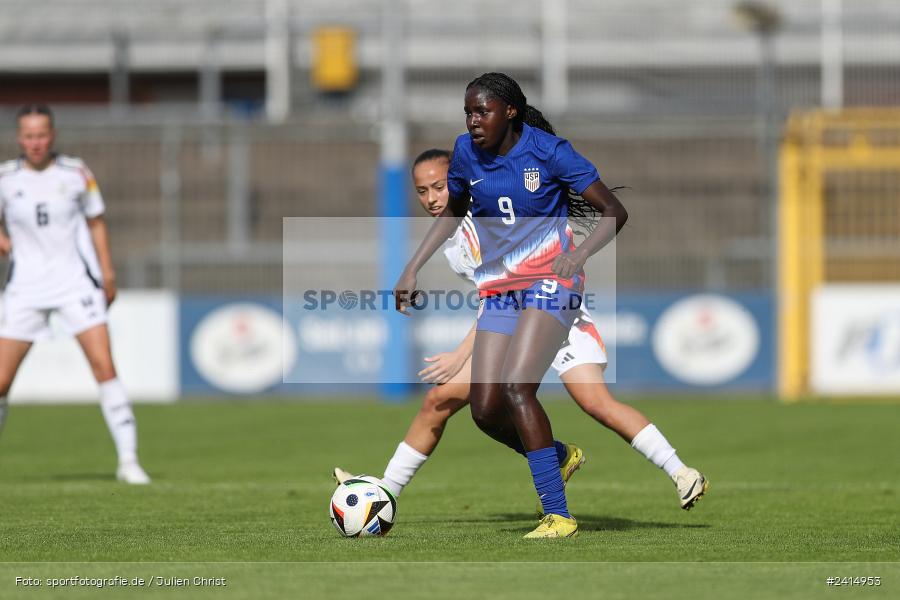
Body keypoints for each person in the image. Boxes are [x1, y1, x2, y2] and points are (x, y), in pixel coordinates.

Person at [335, 147, 707, 519]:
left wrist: (462, 354)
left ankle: (681, 473)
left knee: (596, 403)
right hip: (515, 319)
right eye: (422, 191)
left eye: (439, 186)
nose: (431, 198)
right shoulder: (454, 240)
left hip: (554, 314)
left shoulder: (488, 219)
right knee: (440, 401)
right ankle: (385, 490)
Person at [394, 72, 687, 538]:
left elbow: (615, 211)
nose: (472, 120)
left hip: (553, 281)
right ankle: (558, 455)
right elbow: (454, 210)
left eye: (481, 111)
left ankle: (559, 515)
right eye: (468, 111)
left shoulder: (549, 152)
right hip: (502, 291)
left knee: (517, 388)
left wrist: (580, 252)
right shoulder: (466, 151)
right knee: (486, 410)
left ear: (509, 111)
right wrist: (413, 267)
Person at [0, 104, 150, 485]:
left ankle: (129, 461)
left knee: (104, 367)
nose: (36, 142)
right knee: (1, 383)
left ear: (53, 135)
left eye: (42, 134)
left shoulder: (76, 172)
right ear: (20, 138)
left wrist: (107, 271)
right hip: (24, 289)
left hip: (74, 284)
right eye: (29, 135)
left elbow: (96, 223)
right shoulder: (5, 178)